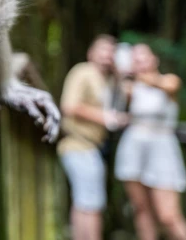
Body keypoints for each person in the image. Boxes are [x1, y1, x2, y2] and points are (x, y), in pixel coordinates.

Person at [115, 44, 186, 240]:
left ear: (154, 59)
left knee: (169, 216)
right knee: (141, 211)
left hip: (162, 149)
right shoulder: (130, 88)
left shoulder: (169, 81)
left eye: (143, 58)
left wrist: (133, 74)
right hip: (133, 146)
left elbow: (168, 86)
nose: (139, 63)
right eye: (135, 59)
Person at [58, 35, 128, 240]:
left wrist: (121, 74)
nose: (107, 55)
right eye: (102, 50)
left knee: (85, 204)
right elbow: (69, 106)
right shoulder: (83, 71)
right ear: (91, 53)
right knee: (92, 206)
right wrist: (106, 118)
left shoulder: (110, 80)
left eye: (111, 51)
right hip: (78, 145)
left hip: (91, 148)